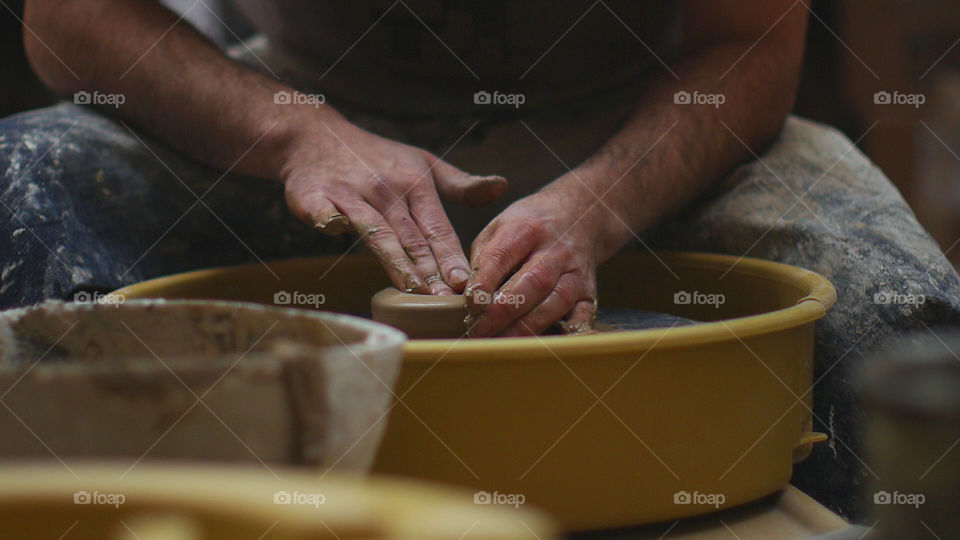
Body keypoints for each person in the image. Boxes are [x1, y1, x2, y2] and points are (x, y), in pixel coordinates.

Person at [4, 0, 960, 521]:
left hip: (653, 115)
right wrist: (297, 136)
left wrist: (599, 204)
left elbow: (750, 41)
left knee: (903, 329)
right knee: (27, 186)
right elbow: (68, 18)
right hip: (307, 100)